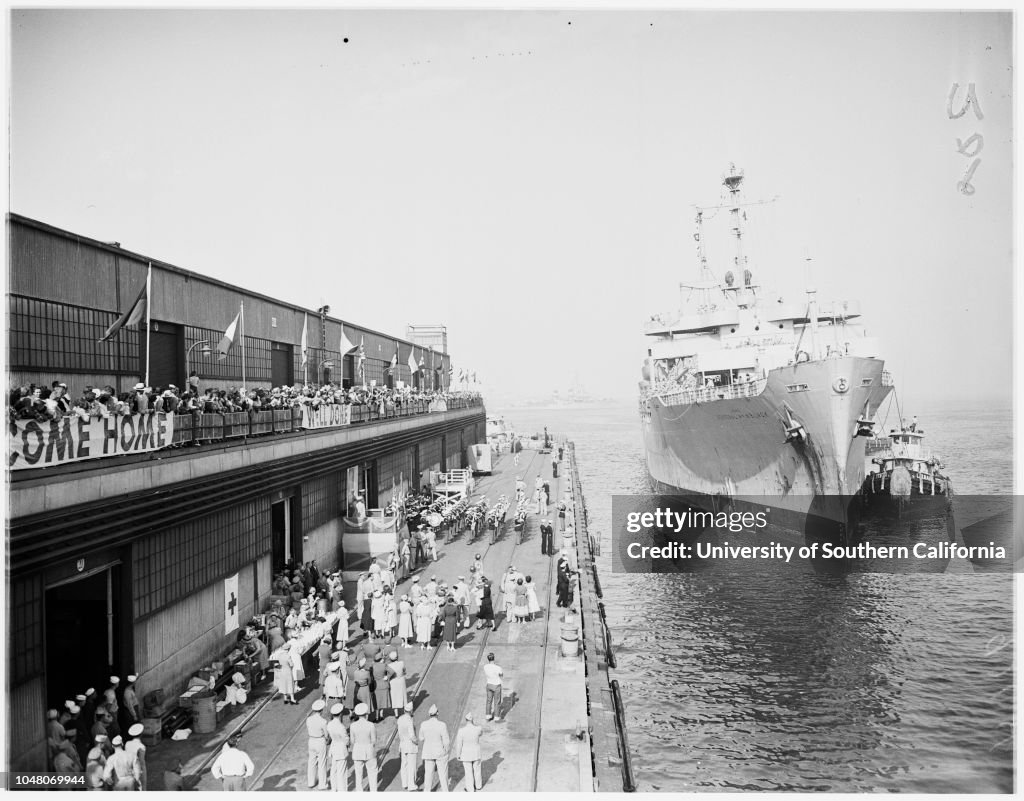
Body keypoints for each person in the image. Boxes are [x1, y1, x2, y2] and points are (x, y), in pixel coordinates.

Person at [418, 704, 450, 792]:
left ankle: (427, 791)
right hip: (440, 752)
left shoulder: (423, 724)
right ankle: (445, 791)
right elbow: (446, 741)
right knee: (443, 774)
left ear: (429, 714)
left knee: (428, 774)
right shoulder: (442, 725)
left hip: (428, 752)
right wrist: (446, 751)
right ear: (437, 713)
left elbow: (421, 738)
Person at [349, 703, 378, 791]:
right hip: (369, 750)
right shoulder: (370, 725)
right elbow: (374, 740)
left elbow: (352, 741)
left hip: (357, 750)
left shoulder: (353, 725)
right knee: (372, 772)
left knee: (358, 774)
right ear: (366, 714)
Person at [453, 713, 483, 792]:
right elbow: (480, 734)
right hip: (476, 753)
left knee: (468, 771)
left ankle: (470, 788)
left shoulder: (461, 731)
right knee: (477, 770)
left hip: (466, 754)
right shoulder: (478, 728)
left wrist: (458, 755)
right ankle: (478, 785)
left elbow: (459, 744)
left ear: (466, 720)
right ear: (472, 720)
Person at [307, 699, 330, 790]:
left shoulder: (309, 719)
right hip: (320, 741)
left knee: (311, 761)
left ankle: (311, 782)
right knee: (322, 762)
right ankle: (322, 784)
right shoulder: (323, 721)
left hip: (311, 740)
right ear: (321, 710)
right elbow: (326, 735)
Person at [397, 701, 419, 791]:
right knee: (411, 765)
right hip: (410, 745)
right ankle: (411, 785)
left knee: (404, 764)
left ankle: (405, 783)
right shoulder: (409, 720)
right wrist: (416, 741)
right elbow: (412, 735)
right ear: (411, 711)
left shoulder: (400, 719)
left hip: (403, 744)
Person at [327, 703, 350, 792]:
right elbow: (346, 740)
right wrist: (348, 740)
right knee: (342, 772)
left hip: (333, 748)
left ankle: (334, 789)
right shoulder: (341, 727)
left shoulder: (329, 724)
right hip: (341, 750)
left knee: (334, 771)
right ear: (340, 714)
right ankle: (342, 791)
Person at [124, 723, 148, 791]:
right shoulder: (141, 746)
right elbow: (141, 762)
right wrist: (143, 774)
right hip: (138, 769)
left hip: (129, 768)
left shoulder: (127, 743)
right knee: (141, 787)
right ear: (141, 734)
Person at [387, 651, 408, 717]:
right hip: (401, 680)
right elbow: (404, 671)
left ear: (390, 659)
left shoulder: (389, 665)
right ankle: (405, 711)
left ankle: (396, 714)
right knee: (403, 695)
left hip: (393, 682)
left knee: (394, 697)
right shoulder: (401, 663)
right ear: (397, 657)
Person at [483, 653, 503, 722]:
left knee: (489, 701)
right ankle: (496, 717)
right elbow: (501, 675)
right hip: (496, 685)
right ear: (494, 658)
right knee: (497, 702)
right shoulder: (498, 668)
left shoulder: (485, 667)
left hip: (489, 684)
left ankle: (488, 716)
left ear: (488, 659)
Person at [371, 652, 390, 722]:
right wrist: (387, 677)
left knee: (376, 702)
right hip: (383, 685)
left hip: (376, 686)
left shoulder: (373, 665)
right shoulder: (384, 665)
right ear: (381, 659)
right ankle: (381, 715)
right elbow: (392, 671)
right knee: (382, 701)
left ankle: (376, 717)